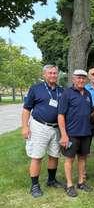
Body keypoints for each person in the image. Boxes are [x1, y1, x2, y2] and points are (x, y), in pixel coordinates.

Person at [22, 65, 64, 198]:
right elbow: (26, 109)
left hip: (56, 128)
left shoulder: (61, 90)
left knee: (54, 155)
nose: (53, 75)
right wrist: (25, 127)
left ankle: (51, 180)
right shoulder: (36, 89)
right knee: (37, 156)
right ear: (44, 75)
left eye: (55, 73)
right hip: (39, 126)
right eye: (50, 73)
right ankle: (34, 185)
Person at [58, 69, 93, 197]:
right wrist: (64, 135)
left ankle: (81, 182)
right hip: (71, 133)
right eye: (78, 78)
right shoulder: (67, 94)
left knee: (82, 158)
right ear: (73, 79)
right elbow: (61, 115)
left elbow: (89, 113)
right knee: (69, 159)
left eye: (83, 78)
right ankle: (69, 185)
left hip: (86, 132)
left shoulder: (88, 94)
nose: (81, 80)